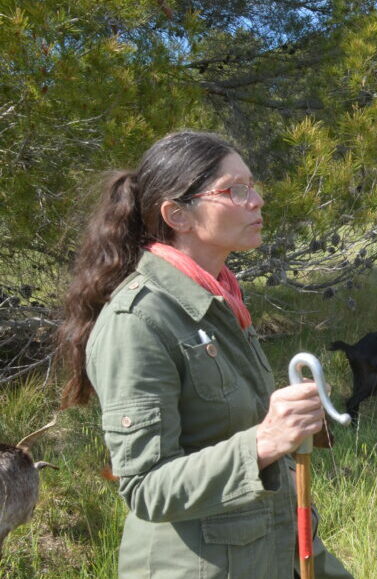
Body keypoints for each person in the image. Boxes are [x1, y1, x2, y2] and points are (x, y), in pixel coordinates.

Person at [57, 131, 351, 578]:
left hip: (267, 553)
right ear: (177, 215)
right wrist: (264, 440)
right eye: (235, 190)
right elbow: (146, 488)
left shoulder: (218, 301)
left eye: (252, 186)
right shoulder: (138, 321)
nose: (255, 201)